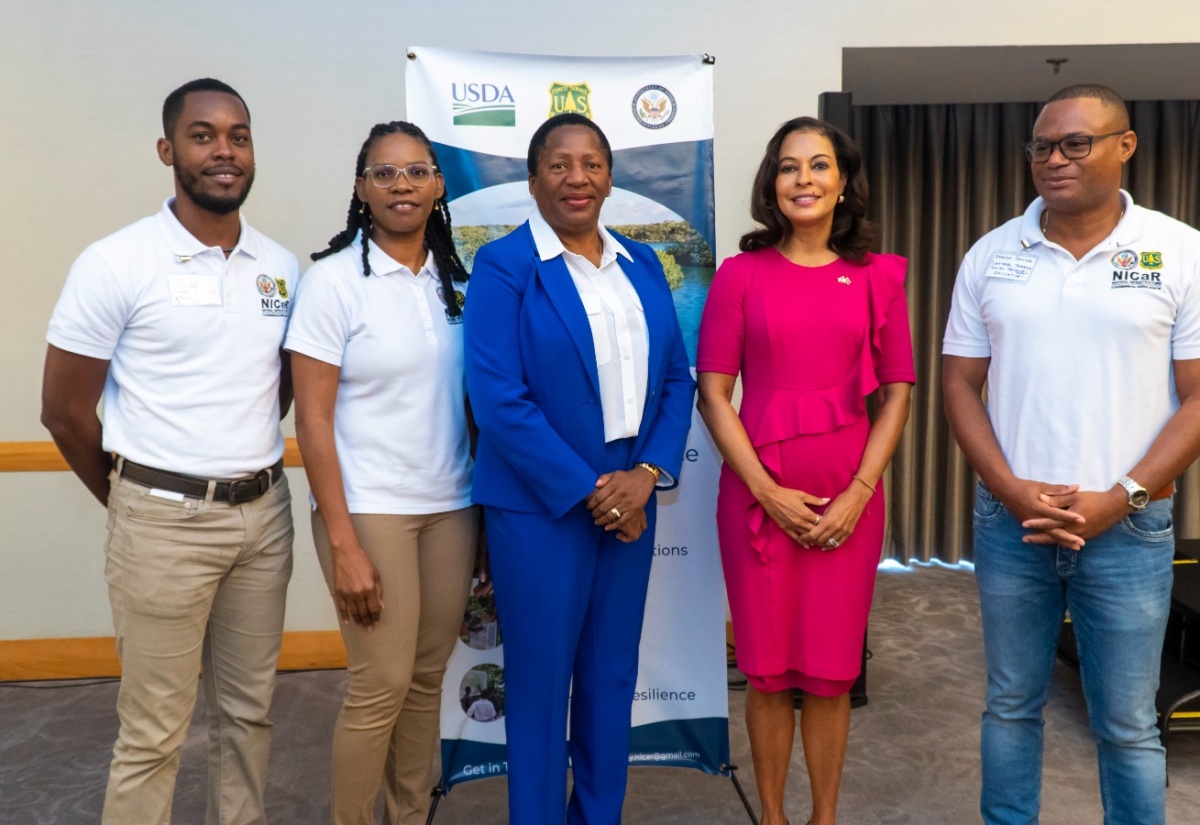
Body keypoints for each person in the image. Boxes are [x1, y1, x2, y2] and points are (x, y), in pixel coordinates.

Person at [40, 78, 296, 825]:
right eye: (203, 135)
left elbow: (274, 391)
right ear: (167, 150)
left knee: (249, 718)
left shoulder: (281, 268)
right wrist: (132, 499)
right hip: (160, 523)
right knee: (154, 732)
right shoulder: (116, 261)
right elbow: (62, 411)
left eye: (239, 136)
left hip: (264, 519)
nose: (224, 151)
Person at [942, 84, 1200, 825]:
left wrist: (1120, 498)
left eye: (1075, 143)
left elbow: (1197, 398)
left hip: (1129, 527)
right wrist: (1010, 489)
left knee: (1128, 724)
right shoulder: (992, 254)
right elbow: (959, 384)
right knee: (1010, 705)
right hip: (1012, 524)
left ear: (1126, 146)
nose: (1053, 159)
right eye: (1041, 146)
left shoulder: (1180, 251)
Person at [463, 112, 695, 825]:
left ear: (610, 178)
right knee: (539, 685)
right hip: (541, 507)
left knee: (609, 676)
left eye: (591, 163)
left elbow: (675, 380)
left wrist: (646, 475)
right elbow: (498, 399)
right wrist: (596, 493)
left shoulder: (642, 264)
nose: (577, 177)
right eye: (559, 164)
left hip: (633, 493)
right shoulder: (504, 266)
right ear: (533, 180)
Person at [697, 116, 914, 825]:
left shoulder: (879, 276)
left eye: (819, 165)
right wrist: (766, 492)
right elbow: (713, 394)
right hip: (756, 503)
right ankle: (773, 817)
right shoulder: (740, 275)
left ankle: (823, 817)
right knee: (766, 672)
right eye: (789, 166)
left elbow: (898, 393)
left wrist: (858, 492)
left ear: (843, 182)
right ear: (772, 183)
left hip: (849, 502)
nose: (804, 179)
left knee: (830, 673)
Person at [286, 121, 481, 825]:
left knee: (426, 680)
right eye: (385, 173)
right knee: (381, 683)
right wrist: (343, 543)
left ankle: (408, 815)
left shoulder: (458, 282)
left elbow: (474, 406)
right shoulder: (332, 283)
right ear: (361, 188)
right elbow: (312, 420)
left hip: (452, 504)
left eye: (417, 171)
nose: (403, 185)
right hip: (370, 508)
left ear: (438, 186)